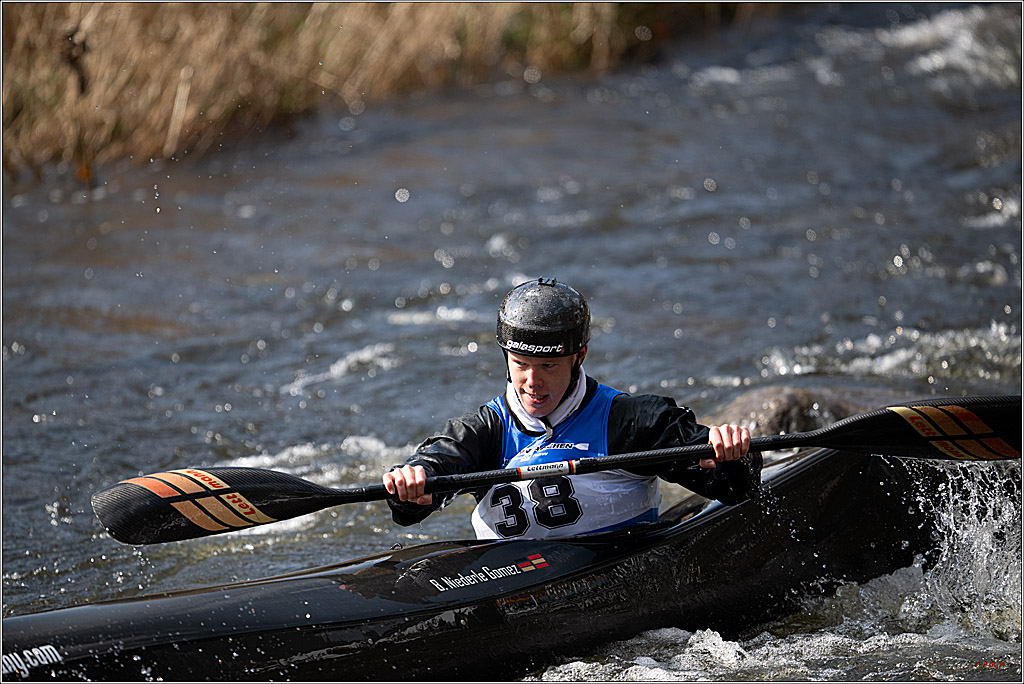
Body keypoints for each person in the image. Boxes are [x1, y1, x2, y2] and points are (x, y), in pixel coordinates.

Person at [383, 278, 760, 539]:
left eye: (548, 366)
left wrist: (732, 457)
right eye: (520, 364)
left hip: (615, 561)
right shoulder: (485, 431)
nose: (532, 382)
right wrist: (413, 484)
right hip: (508, 579)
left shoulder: (629, 421)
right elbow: (430, 477)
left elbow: (733, 488)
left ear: (579, 356)